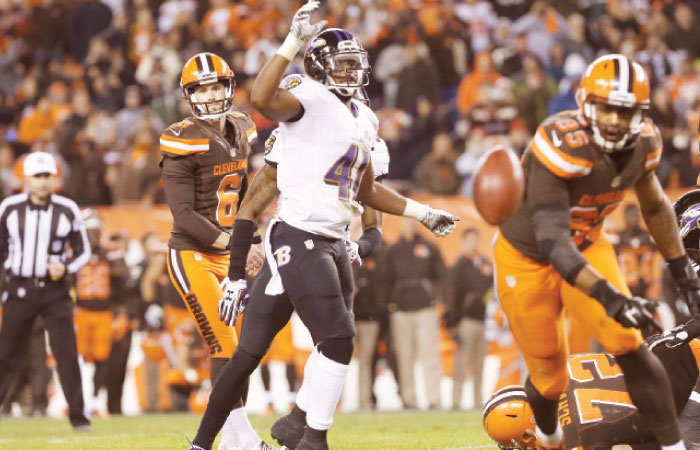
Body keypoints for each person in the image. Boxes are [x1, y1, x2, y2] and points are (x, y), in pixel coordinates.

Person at [189, 3, 458, 449]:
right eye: (343, 64)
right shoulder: (307, 95)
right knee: (337, 338)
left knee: (251, 352)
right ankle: (310, 437)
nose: (352, 72)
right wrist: (292, 42)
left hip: (331, 241)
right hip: (297, 235)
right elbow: (260, 101)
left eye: (356, 65)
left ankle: (266, 430)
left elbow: (368, 190)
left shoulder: (366, 119)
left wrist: (421, 213)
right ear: (319, 67)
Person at [494, 54, 700, 450]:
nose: (615, 122)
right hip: (529, 257)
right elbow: (553, 242)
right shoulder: (559, 143)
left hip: (588, 241)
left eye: (626, 112)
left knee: (628, 342)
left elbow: (655, 206)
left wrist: (682, 272)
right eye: (606, 109)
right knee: (548, 376)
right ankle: (550, 440)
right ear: (585, 103)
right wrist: (611, 296)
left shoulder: (645, 142)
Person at [160, 52, 272, 450]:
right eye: (201, 88)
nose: (209, 94)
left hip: (228, 252)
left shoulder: (241, 126)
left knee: (240, 349)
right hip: (192, 254)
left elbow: (242, 192)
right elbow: (184, 214)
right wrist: (234, 243)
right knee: (224, 345)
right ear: (189, 95)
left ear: (228, 87)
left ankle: (235, 439)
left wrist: (252, 238)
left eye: (214, 85)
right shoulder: (183, 138)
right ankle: (233, 439)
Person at [483, 326, 700, 450]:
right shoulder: (562, 368)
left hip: (688, 392)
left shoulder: (575, 440)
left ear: (529, 434)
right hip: (683, 349)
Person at [0, 151, 92, 431]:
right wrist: (10, 269)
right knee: (6, 353)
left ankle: (78, 418)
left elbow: (83, 251)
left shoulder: (67, 208)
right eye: (36, 176)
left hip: (55, 291)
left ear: (53, 178)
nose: (41, 182)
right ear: (25, 178)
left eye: (46, 176)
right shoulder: (9, 207)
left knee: (66, 354)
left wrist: (65, 267)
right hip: (21, 288)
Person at [382, 217, 446, 410]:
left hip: (426, 309)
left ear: (418, 224)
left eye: (413, 221)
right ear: (401, 224)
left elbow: (443, 275)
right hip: (400, 311)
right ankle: (409, 399)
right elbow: (384, 280)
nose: (410, 225)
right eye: (406, 222)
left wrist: (440, 299)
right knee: (404, 356)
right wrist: (388, 305)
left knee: (430, 356)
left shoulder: (430, 247)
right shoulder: (392, 251)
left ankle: (434, 399)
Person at [446, 227, 491, 410]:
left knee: (480, 363)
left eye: (475, 239)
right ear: (464, 242)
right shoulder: (459, 265)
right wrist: (453, 323)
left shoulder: (485, 264)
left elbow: (493, 290)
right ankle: (456, 400)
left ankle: (478, 400)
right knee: (462, 363)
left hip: (484, 320)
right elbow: (452, 295)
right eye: (469, 239)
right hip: (466, 321)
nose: (473, 243)